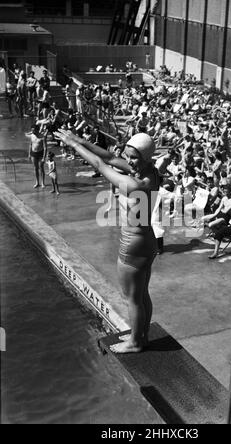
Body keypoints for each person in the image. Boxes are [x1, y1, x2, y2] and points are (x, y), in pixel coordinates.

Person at [54, 130, 160, 354]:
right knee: (142, 294)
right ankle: (144, 336)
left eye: (134, 157)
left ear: (146, 156)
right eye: (129, 156)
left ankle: (135, 342)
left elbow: (102, 166)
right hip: (147, 241)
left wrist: (74, 144)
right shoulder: (151, 171)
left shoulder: (135, 184)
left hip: (133, 244)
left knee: (132, 298)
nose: (129, 161)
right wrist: (82, 140)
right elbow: (111, 158)